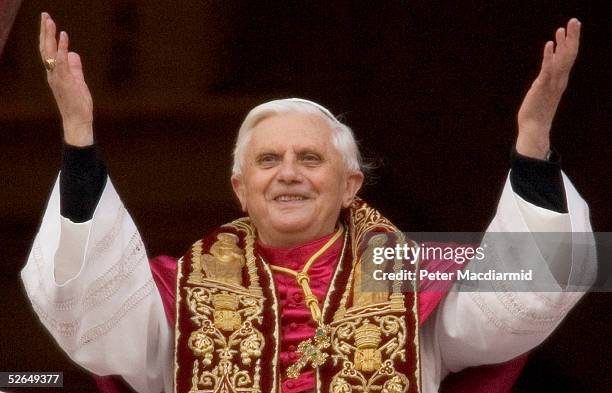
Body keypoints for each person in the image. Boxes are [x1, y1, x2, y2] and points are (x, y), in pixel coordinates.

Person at [21, 12, 596, 393]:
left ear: (351, 185)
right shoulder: (180, 287)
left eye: (310, 159)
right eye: (268, 161)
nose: (288, 175)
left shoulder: (410, 269)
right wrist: (79, 138)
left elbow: (528, 289)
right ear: (240, 189)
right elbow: (88, 315)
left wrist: (533, 140)